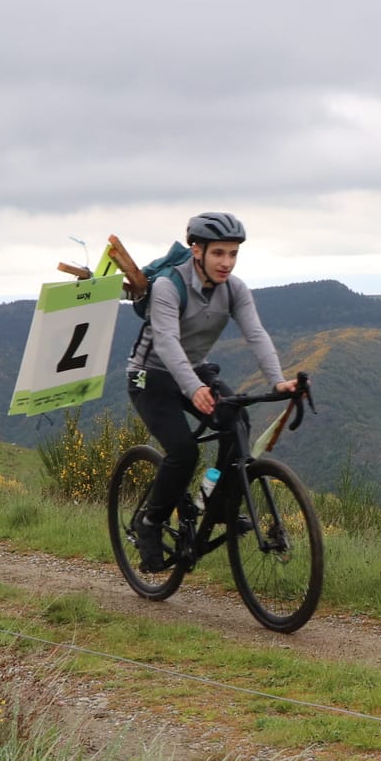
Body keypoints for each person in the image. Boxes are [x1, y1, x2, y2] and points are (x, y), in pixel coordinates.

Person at [119, 211, 297, 571]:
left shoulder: (234, 289)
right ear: (196, 250)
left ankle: (218, 507)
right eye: (219, 253)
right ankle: (149, 523)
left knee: (237, 422)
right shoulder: (170, 286)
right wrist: (194, 387)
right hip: (149, 375)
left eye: (233, 254)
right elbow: (167, 343)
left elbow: (256, 334)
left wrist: (277, 380)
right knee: (183, 452)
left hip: (193, 371)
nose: (227, 263)